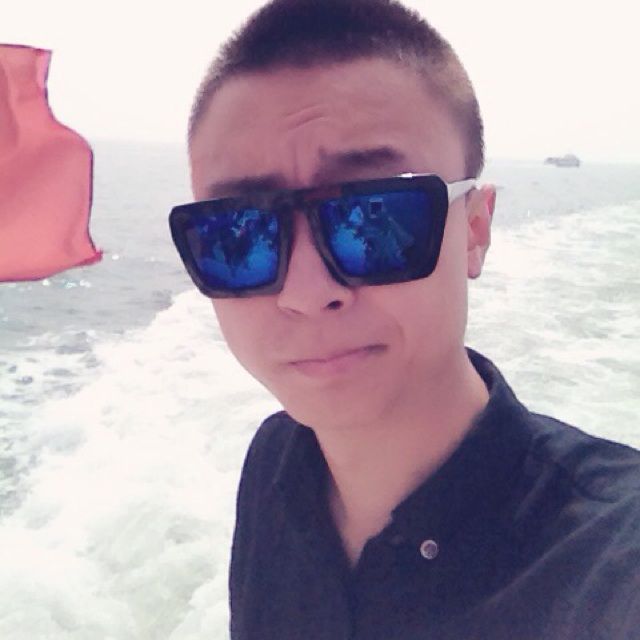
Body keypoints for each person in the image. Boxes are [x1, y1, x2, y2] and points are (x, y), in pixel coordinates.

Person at [169, 1, 640, 638]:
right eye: (238, 235)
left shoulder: (609, 567)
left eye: (377, 217)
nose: (306, 292)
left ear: (474, 229)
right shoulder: (276, 463)